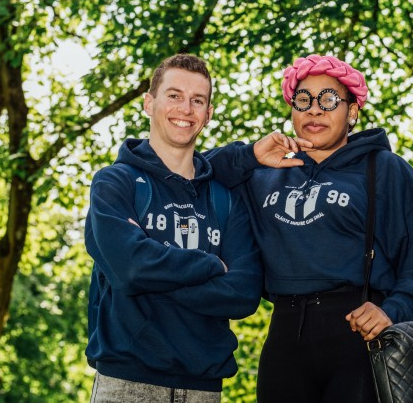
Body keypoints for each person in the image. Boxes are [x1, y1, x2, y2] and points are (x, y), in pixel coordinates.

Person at [207, 54, 413, 403]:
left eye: (329, 100)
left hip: (359, 332)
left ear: (352, 112)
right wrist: (249, 155)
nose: (314, 110)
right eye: (303, 100)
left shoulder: (385, 169)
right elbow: (196, 174)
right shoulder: (265, 172)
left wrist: (391, 311)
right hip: (286, 333)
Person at [84, 53, 304, 402]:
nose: (185, 109)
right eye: (174, 95)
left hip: (204, 387)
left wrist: (150, 276)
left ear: (208, 114)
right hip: (126, 381)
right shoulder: (115, 183)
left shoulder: (224, 198)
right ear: (149, 103)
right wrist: (210, 266)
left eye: (197, 100)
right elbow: (130, 268)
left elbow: (244, 293)